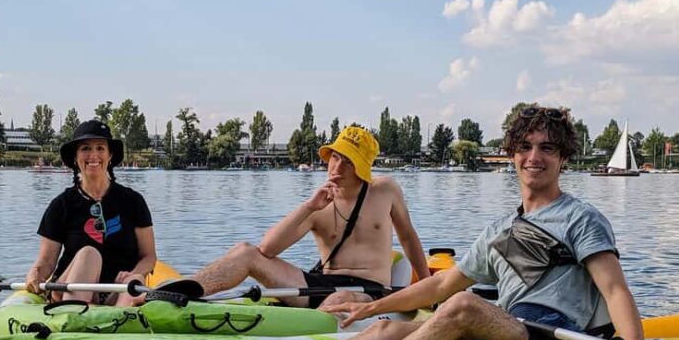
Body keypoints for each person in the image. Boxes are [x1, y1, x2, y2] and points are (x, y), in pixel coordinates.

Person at [324, 106, 655, 340]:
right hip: (511, 328)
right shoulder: (500, 230)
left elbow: (615, 291)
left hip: (554, 338)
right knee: (384, 329)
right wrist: (371, 307)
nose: (533, 157)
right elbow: (440, 283)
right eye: (524, 147)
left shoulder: (581, 219)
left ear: (563, 157)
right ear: (512, 155)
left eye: (547, 148)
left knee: (463, 305)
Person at [187, 125, 430, 308]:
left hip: (370, 288)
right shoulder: (318, 203)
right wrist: (309, 207)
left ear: (362, 167)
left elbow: (408, 237)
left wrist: (429, 289)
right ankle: (180, 294)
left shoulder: (385, 190)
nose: (337, 168)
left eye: (348, 162)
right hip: (320, 284)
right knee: (244, 252)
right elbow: (267, 249)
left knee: (339, 299)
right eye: (335, 157)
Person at [25, 120, 157, 306]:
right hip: (68, 288)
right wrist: (35, 274)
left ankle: (118, 324)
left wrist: (135, 274)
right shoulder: (61, 205)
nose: (93, 155)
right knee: (89, 254)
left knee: (133, 283)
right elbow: (46, 262)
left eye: (100, 148)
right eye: (86, 148)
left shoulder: (133, 201)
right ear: (75, 157)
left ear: (110, 155)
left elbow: (149, 256)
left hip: (116, 291)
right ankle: (74, 316)